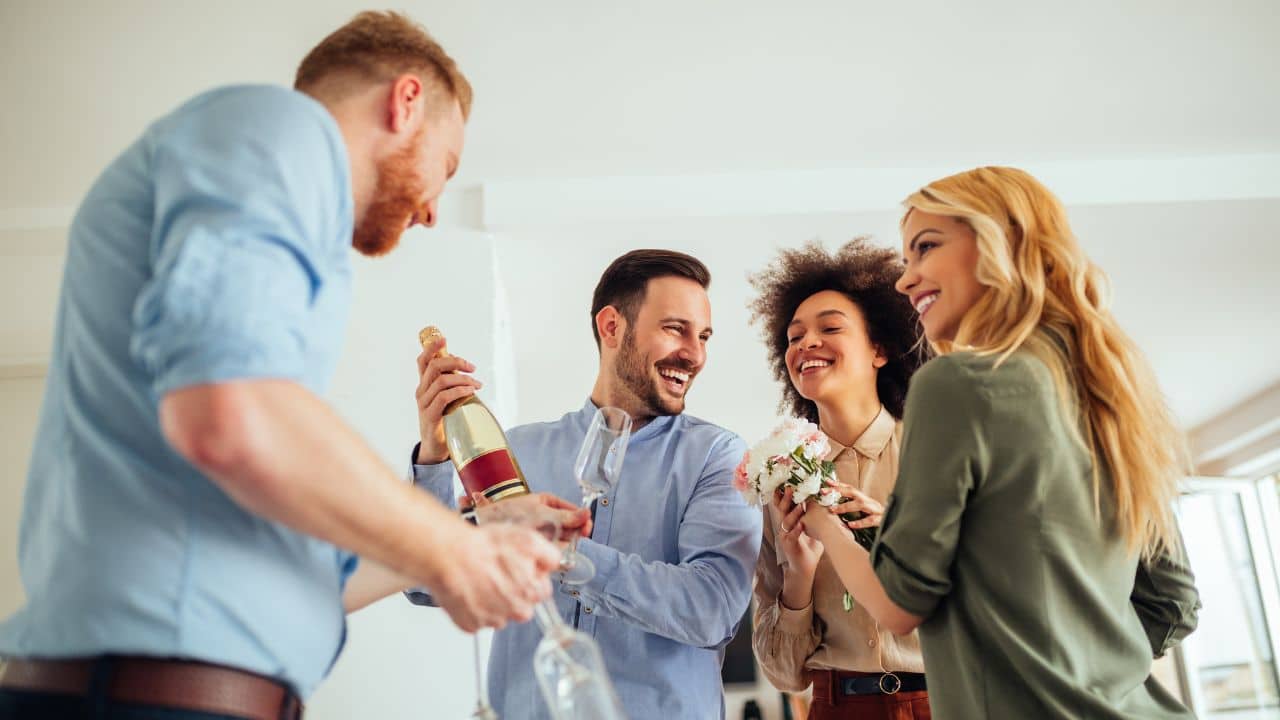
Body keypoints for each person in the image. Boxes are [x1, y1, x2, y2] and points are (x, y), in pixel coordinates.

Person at [0, 12, 563, 720]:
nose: (430, 211)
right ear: (406, 101)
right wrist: (452, 551)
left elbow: (316, 575)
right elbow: (229, 418)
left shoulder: (263, 256)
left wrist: (484, 539)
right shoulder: (281, 127)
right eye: (444, 168)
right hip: (151, 700)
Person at [799, 167, 1201, 718]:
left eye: (926, 247)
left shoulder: (956, 383)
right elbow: (1173, 603)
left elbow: (897, 605)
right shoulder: (1111, 393)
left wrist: (819, 514)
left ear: (1001, 244)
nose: (905, 278)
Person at [410, 249, 762, 719]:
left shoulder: (718, 457)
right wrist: (433, 455)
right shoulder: (519, 453)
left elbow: (711, 610)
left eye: (704, 337)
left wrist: (564, 554)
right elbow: (427, 583)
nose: (695, 354)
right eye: (675, 329)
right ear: (611, 326)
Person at [747, 239, 931, 719]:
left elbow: (983, 603)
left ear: (880, 349)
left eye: (830, 327)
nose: (806, 343)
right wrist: (797, 578)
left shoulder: (935, 453)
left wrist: (896, 540)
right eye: (793, 337)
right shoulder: (778, 481)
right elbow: (784, 675)